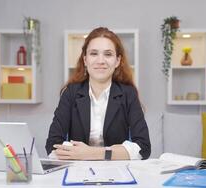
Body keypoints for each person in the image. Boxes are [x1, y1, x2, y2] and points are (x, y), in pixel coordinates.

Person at [45, 27, 151, 160]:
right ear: (85, 60)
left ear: (117, 61)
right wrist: (117, 151)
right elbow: (53, 145)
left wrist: (92, 153)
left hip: (117, 171)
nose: (100, 61)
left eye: (108, 54)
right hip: (77, 170)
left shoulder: (128, 94)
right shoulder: (70, 92)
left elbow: (143, 147)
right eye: (94, 53)